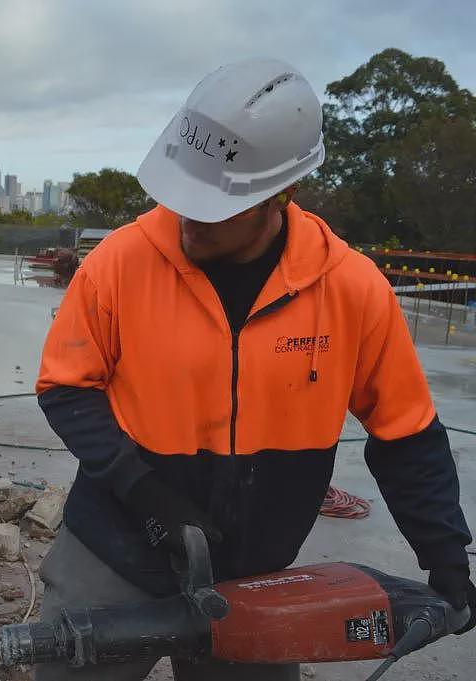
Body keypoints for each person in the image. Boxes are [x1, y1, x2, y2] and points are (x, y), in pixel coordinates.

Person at [35, 57, 474, 681]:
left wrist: (446, 558)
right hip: (114, 545)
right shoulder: (118, 264)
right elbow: (65, 388)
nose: (188, 220)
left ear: (282, 194)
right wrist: (144, 492)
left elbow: (406, 433)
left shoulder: (350, 288)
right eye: (181, 196)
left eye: (212, 208)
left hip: (258, 574)